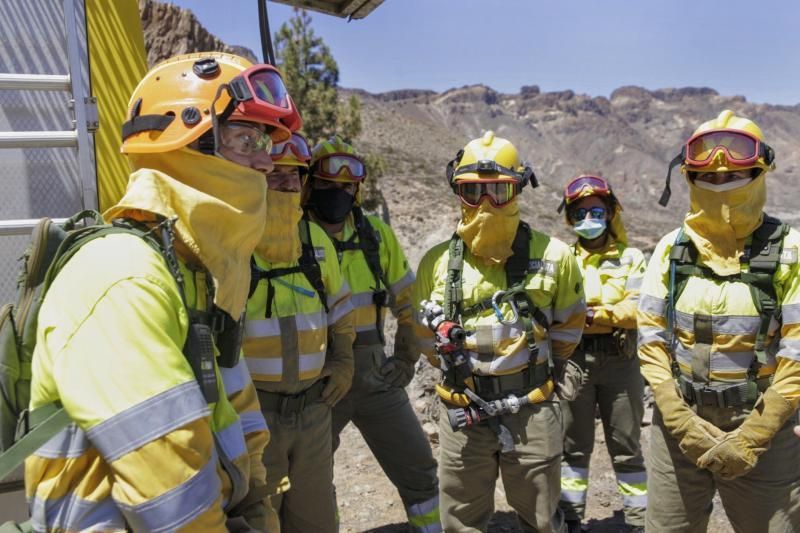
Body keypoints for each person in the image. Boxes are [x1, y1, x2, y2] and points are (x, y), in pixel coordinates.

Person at [24, 52, 300, 531]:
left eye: (268, 142)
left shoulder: (196, 271)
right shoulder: (124, 277)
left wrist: (255, 491)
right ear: (185, 138)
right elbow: (171, 496)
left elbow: (234, 401)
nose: (266, 160)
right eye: (247, 138)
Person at [412, 131, 586, 532]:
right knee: (461, 521)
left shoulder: (555, 257)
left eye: (500, 190)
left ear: (519, 189)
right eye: (473, 192)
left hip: (533, 410)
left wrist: (532, 374)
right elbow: (426, 343)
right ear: (457, 192)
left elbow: (568, 331)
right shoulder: (435, 264)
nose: (486, 202)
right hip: (462, 414)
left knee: (542, 518)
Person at [638, 109, 800, 531]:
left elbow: (798, 354)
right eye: (709, 179)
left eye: (733, 178)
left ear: (761, 173)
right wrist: (679, 420)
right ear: (690, 179)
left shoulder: (791, 252)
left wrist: (755, 434)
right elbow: (651, 340)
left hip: (767, 427)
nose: (721, 186)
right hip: (678, 426)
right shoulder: (670, 250)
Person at [303, 136, 441, 532]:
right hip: (320, 382)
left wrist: (405, 358)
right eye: (328, 185)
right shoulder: (292, 237)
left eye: (347, 187)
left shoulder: (374, 235)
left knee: (418, 466)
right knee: (310, 482)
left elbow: (408, 301)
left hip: (375, 377)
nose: (338, 194)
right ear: (310, 184)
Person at [242, 131, 355, 532]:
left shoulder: (316, 242)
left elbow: (342, 316)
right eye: (277, 174)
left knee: (316, 520)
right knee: (259, 518)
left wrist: (343, 361)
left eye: (296, 175)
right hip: (255, 417)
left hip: (313, 413)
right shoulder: (234, 243)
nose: (288, 184)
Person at [556, 175, 647, 533]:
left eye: (595, 211)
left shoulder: (632, 258)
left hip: (621, 362)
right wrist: (597, 313)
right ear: (569, 219)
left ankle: (638, 521)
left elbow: (638, 309)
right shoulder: (562, 258)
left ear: (610, 213)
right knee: (573, 448)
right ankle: (572, 519)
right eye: (579, 213)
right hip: (574, 361)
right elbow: (556, 307)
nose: (587, 219)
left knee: (627, 445)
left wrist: (592, 314)